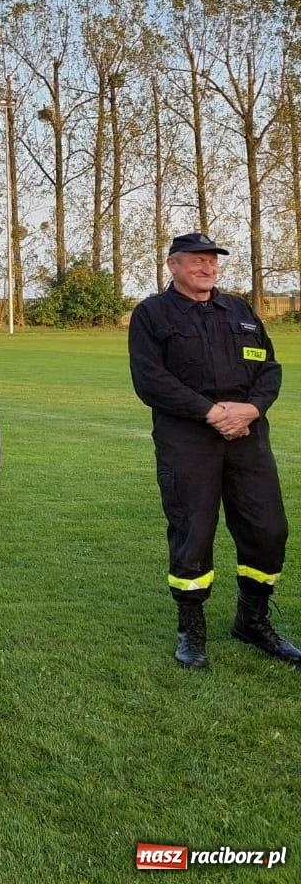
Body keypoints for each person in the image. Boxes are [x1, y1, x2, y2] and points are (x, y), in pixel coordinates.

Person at [127, 231, 299, 669]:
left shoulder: (238, 310)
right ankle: (191, 629)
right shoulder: (152, 314)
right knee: (192, 534)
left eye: (212, 260)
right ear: (173, 266)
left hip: (248, 440)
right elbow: (151, 380)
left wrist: (251, 409)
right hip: (188, 443)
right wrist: (212, 413)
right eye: (196, 261)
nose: (207, 267)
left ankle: (252, 620)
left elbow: (270, 369)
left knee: (268, 531)